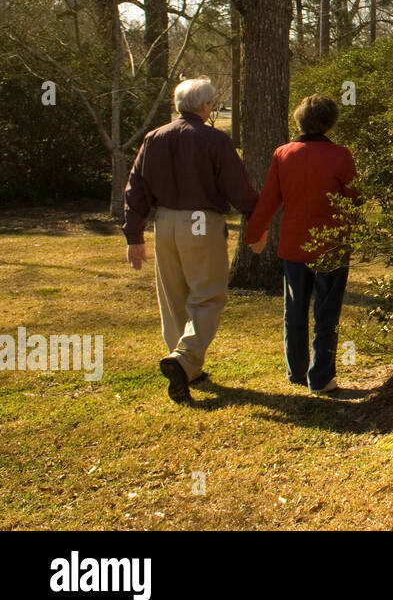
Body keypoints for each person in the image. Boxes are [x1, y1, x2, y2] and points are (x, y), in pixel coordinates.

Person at [124, 77, 264, 403]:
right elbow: (238, 188)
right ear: (205, 106)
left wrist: (134, 235)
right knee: (207, 294)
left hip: (165, 222)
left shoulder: (153, 137)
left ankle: (187, 366)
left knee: (172, 296)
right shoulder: (214, 139)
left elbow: (136, 188)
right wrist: (257, 221)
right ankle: (183, 359)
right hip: (199, 220)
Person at [243, 94, 359, 394]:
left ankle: (296, 372)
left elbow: (269, 199)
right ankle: (320, 378)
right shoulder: (341, 156)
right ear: (330, 123)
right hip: (332, 247)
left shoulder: (284, 153)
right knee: (327, 312)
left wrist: (254, 233)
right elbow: (354, 201)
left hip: (295, 246)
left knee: (294, 310)